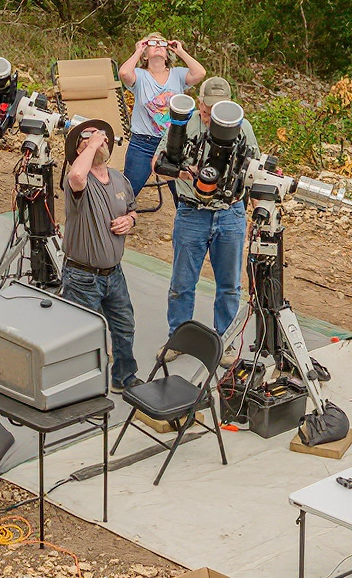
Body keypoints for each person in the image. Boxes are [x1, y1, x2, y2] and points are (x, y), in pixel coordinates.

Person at [152, 78, 255, 364]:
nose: (211, 116)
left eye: (219, 110)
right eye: (208, 109)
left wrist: (256, 214)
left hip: (230, 212)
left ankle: (226, 341)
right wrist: (186, 173)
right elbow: (157, 164)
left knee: (229, 285)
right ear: (199, 104)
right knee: (182, 282)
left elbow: (254, 173)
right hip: (192, 212)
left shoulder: (243, 127)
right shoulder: (185, 124)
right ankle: (179, 339)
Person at [62, 120, 140, 393]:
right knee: (84, 335)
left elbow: (132, 210)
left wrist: (130, 220)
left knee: (124, 325)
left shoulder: (120, 179)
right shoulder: (76, 179)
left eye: (101, 137)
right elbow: (76, 178)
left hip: (114, 273)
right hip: (82, 275)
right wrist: (92, 142)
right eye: (88, 138)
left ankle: (124, 377)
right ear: (79, 150)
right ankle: (85, 391)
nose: (98, 140)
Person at [118, 32, 206, 200]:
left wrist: (180, 51)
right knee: (127, 193)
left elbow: (200, 73)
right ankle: (119, 221)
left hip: (173, 143)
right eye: (152, 43)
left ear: (167, 54)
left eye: (161, 43)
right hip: (143, 144)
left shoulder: (177, 74)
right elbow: (123, 73)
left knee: (183, 196)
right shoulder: (140, 76)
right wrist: (138, 50)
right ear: (145, 54)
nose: (157, 45)